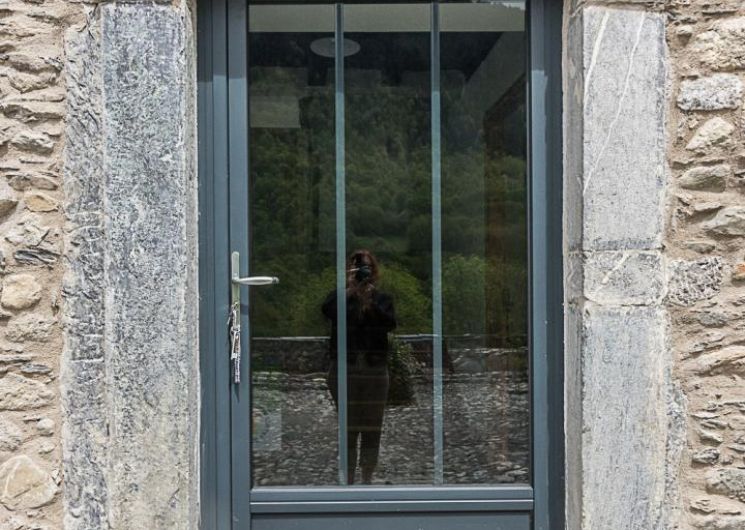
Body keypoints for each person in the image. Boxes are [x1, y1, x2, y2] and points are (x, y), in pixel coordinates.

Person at [322, 250, 396, 485]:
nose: (363, 273)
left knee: (373, 425)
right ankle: (349, 477)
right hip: (346, 367)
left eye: (366, 268)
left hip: (374, 368)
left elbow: (389, 323)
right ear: (350, 271)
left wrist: (370, 299)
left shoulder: (382, 299)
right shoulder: (341, 297)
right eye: (358, 269)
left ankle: (367, 477)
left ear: (374, 272)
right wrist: (350, 291)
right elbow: (327, 310)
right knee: (348, 425)